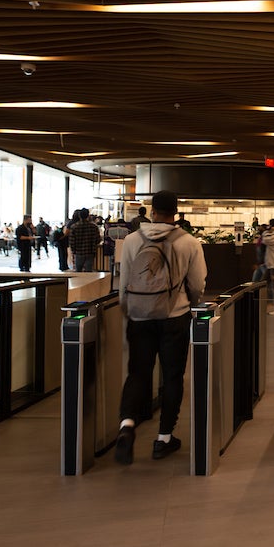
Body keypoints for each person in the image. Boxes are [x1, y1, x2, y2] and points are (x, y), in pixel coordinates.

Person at [113, 190, 207, 465]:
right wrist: (191, 303)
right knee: (172, 377)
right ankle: (163, 438)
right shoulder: (189, 242)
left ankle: (127, 425)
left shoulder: (131, 240)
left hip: (139, 317)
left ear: (152, 211)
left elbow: (124, 280)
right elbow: (198, 283)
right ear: (175, 212)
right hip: (174, 317)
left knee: (138, 373)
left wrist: (127, 309)